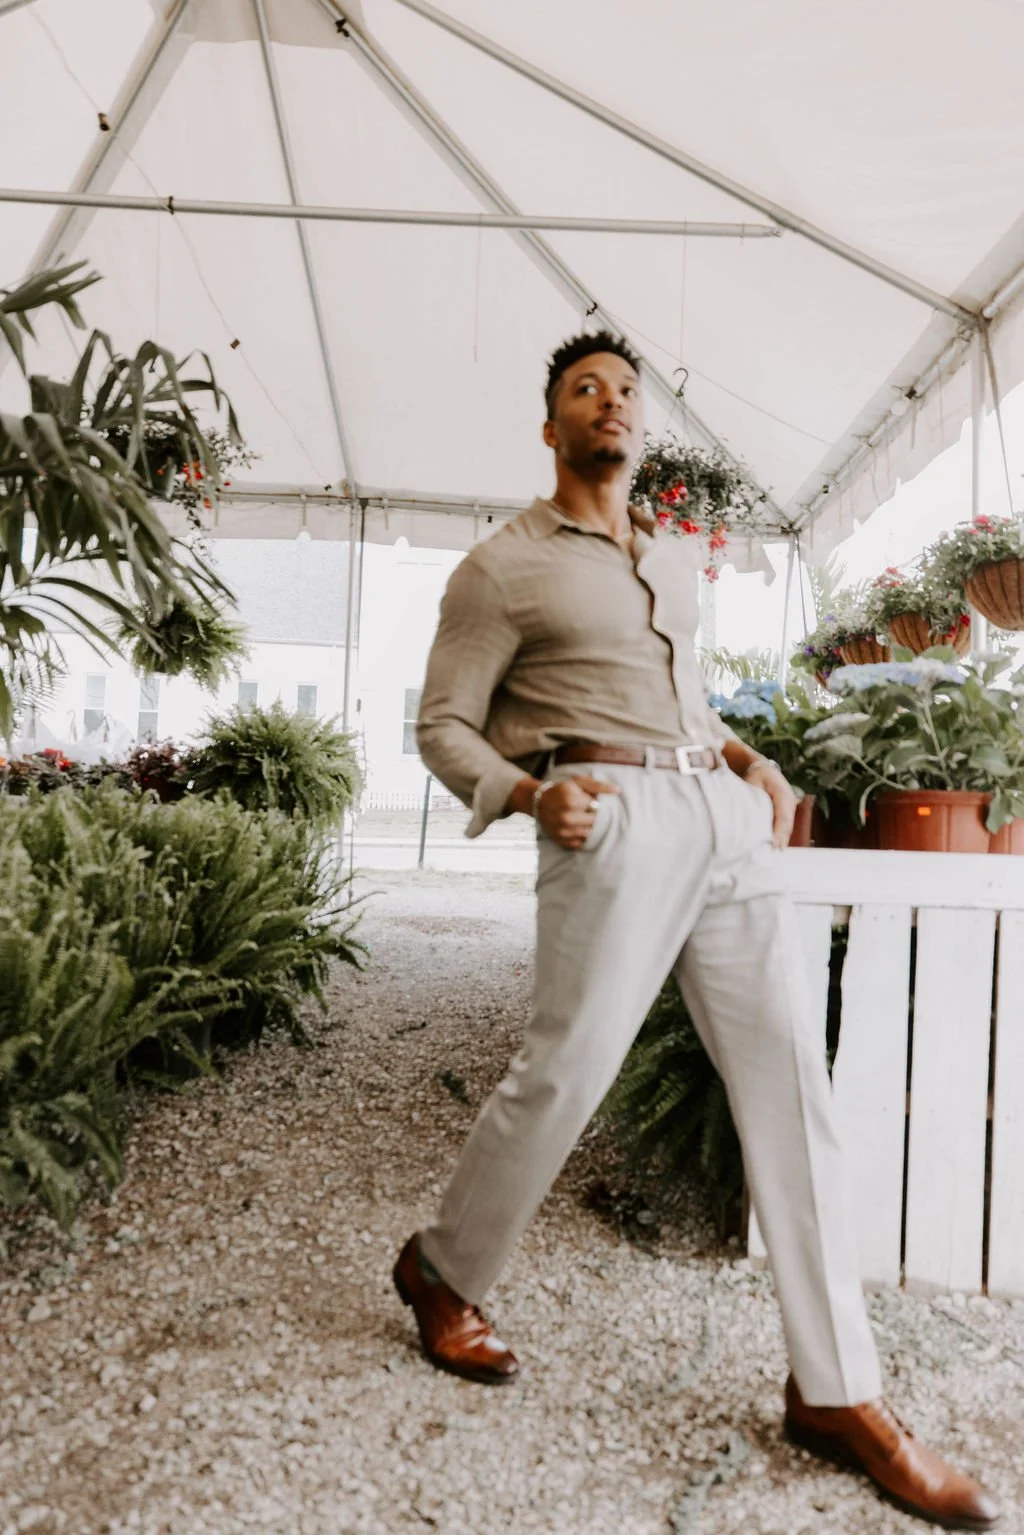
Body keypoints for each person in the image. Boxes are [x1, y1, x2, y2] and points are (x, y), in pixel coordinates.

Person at [392, 331, 999, 1531]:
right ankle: (442, 1268)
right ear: (551, 424)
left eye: (626, 392)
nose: (611, 405)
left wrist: (744, 754)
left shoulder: (664, 563)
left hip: (721, 821)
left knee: (794, 1091)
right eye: (586, 390)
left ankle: (837, 1392)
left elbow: (681, 698)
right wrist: (527, 792)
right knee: (563, 1074)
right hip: (607, 820)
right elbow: (443, 724)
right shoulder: (500, 568)